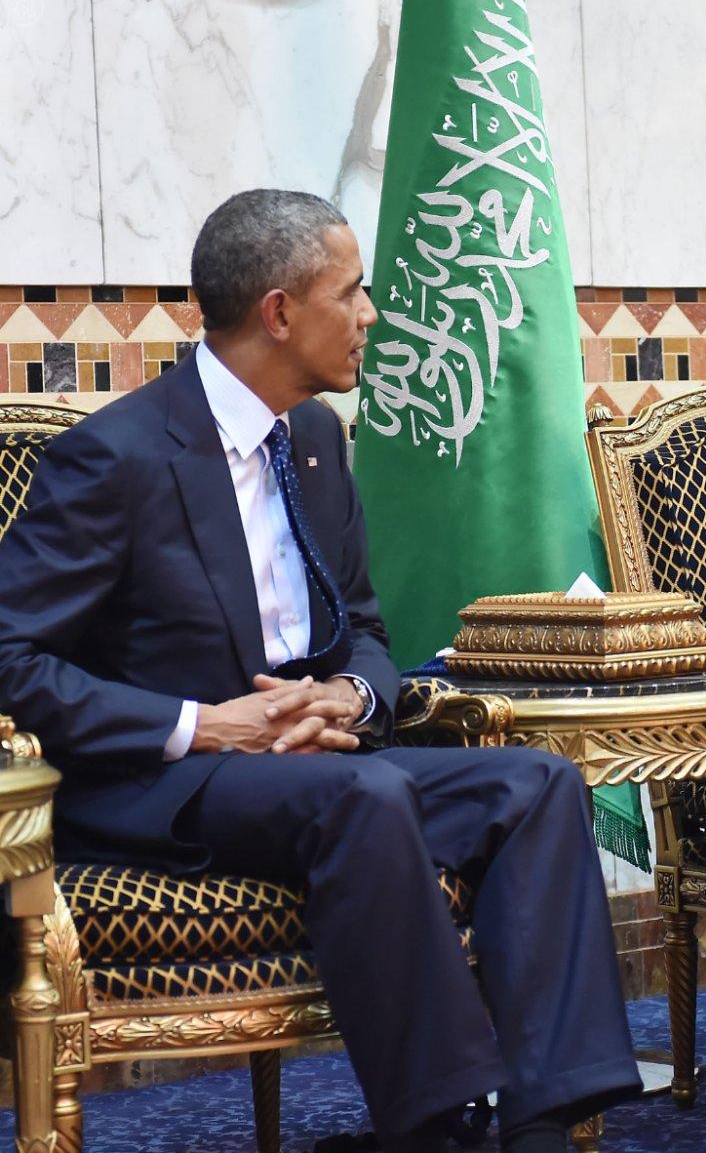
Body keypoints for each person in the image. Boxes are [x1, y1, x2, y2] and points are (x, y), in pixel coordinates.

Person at [0, 190, 641, 1153]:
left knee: (537, 780)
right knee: (362, 793)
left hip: (313, 763)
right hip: (165, 780)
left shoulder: (316, 443)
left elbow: (368, 633)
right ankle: (436, 1130)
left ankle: (544, 1120)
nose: (374, 315)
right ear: (280, 312)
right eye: (355, 292)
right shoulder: (117, 457)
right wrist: (205, 724)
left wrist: (348, 693)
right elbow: (11, 656)